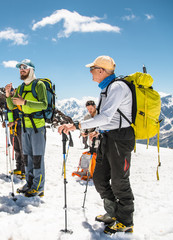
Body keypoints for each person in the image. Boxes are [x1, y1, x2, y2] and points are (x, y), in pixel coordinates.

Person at [58, 56, 135, 234]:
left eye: (92, 69)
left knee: (119, 180)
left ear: (101, 70)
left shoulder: (117, 87)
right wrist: (98, 131)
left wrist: (76, 125)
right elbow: (109, 118)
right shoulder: (106, 89)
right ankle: (112, 212)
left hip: (120, 139)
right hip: (107, 137)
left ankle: (125, 220)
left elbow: (106, 117)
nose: (90, 72)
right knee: (99, 178)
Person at [5, 59, 47, 197]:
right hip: (24, 127)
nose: (21, 70)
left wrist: (25, 102)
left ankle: (39, 187)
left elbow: (43, 105)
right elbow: (12, 106)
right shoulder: (21, 87)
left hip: (37, 127)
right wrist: (8, 96)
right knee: (27, 157)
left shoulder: (39, 85)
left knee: (37, 158)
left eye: (24, 68)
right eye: (20, 68)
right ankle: (29, 184)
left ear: (31, 69)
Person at [2, 91, 25, 178]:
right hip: (12, 128)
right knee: (16, 148)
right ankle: (18, 167)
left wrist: (15, 122)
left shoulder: (18, 101)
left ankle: (24, 170)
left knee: (23, 148)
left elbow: (23, 115)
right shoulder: (7, 102)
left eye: (12, 91)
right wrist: (5, 122)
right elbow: (7, 113)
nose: (10, 93)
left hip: (20, 127)